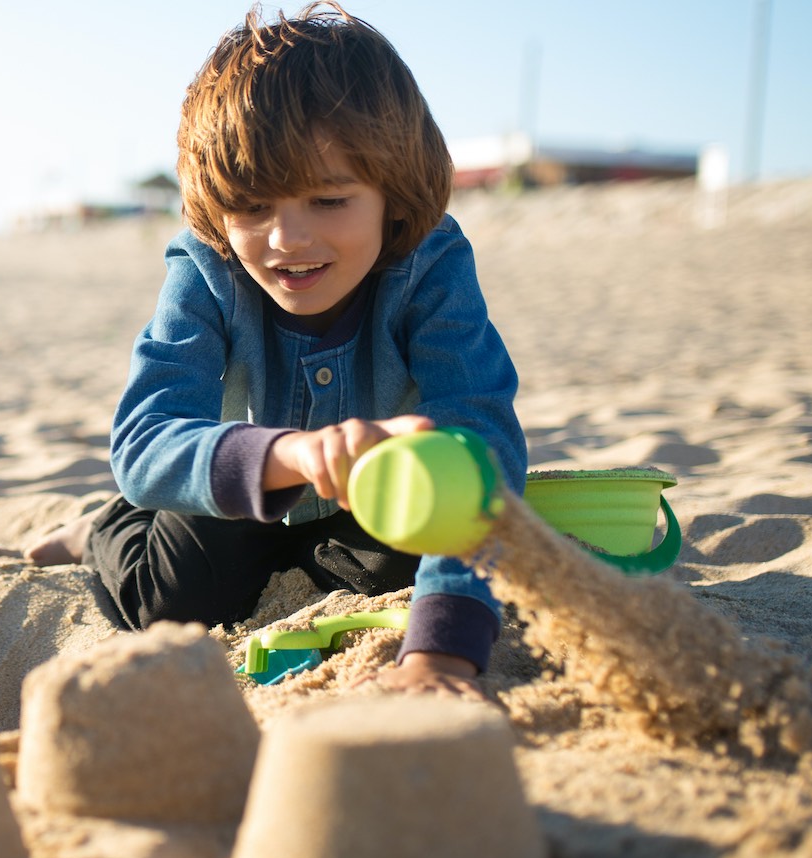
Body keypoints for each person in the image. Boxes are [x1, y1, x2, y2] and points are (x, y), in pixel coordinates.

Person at [30, 2, 526, 697]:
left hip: (366, 499)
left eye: (329, 201)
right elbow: (143, 443)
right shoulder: (205, 268)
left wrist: (443, 649)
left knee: (405, 568)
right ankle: (102, 532)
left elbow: (482, 440)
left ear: (393, 194)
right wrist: (289, 454)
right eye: (254, 207)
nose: (287, 239)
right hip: (232, 496)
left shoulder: (432, 262)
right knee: (178, 602)